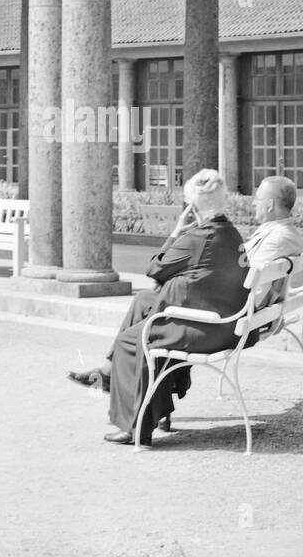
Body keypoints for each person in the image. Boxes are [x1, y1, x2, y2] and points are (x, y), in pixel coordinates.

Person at [70, 168, 250, 445]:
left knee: (133, 340)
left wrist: (177, 231)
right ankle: (109, 372)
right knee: (143, 301)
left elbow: (155, 268)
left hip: (209, 329)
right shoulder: (230, 233)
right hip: (226, 321)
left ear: (191, 206)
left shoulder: (198, 238)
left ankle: (135, 428)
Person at [242, 175, 303, 279]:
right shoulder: (278, 232)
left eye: (258, 198)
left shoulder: (278, 238)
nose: (254, 203)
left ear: (270, 205)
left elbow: (248, 277)